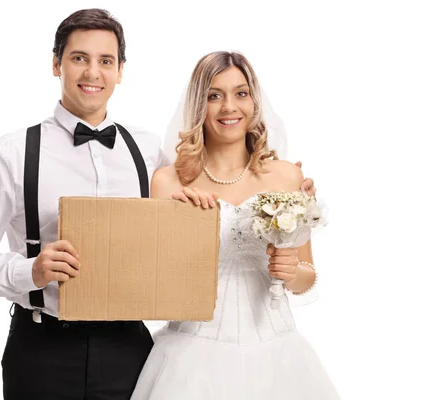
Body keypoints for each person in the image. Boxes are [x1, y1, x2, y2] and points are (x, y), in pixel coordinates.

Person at [0, 8, 316, 399]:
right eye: (79, 58)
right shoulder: (11, 153)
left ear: (120, 70)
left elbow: (200, 210)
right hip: (43, 347)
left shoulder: (148, 152)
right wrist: (28, 271)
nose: (93, 73)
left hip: (130, 349)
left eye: (106, 61)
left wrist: (287, 198)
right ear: (56, 64)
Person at [130, 51, 340, 399]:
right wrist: (179, 228)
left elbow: (306, 277)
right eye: (215, 95)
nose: (230, 106)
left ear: (254, 101)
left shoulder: (287, 176)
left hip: (276, 354)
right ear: (200, 104)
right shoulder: (169, 183)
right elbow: (157, 290)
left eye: (240, 93)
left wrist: (291, 272)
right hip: (191, 355)